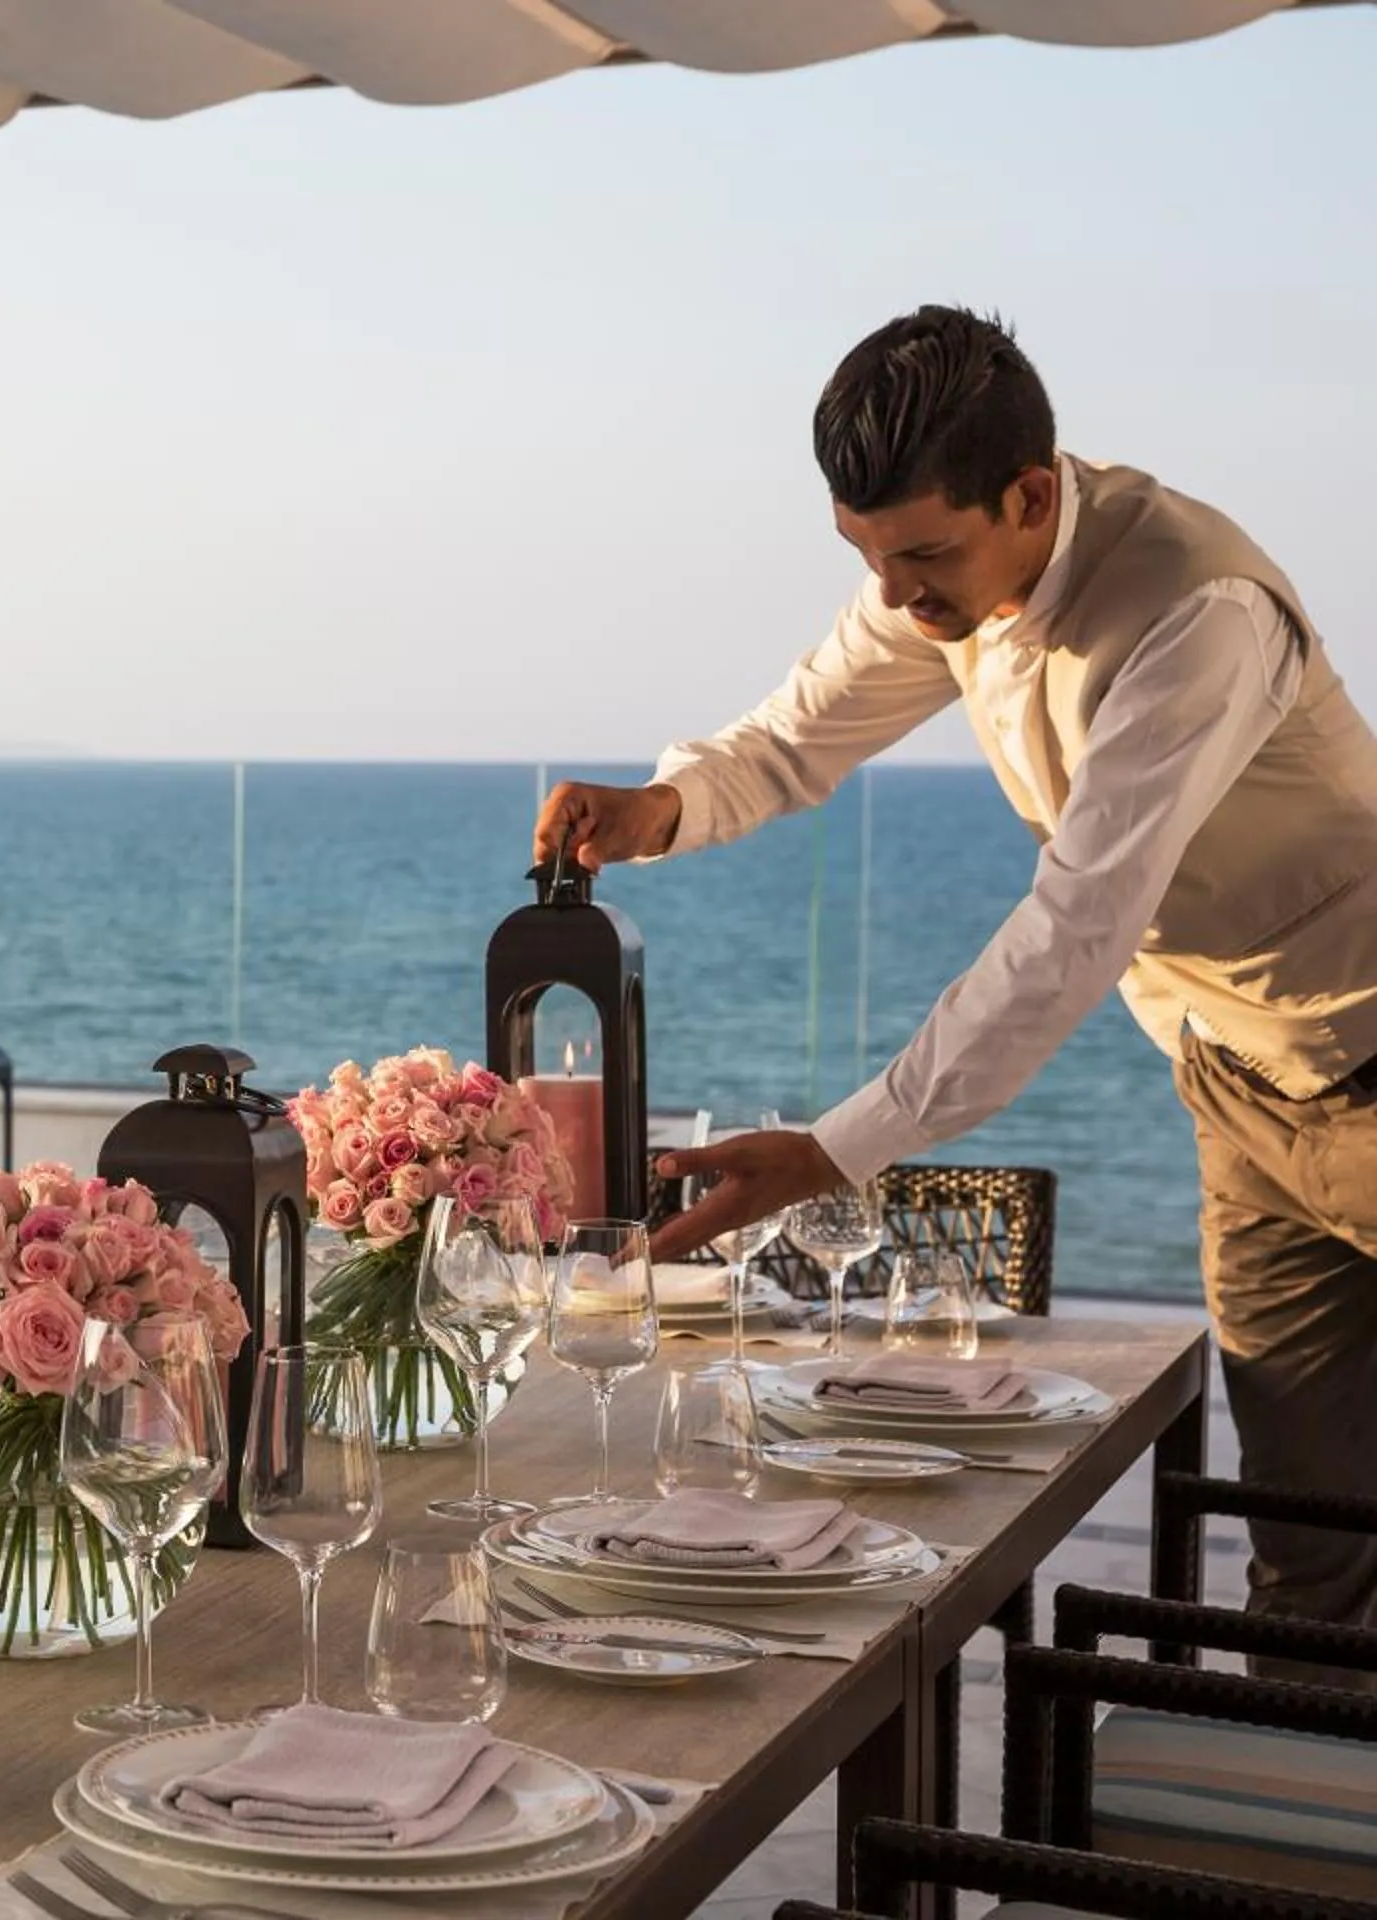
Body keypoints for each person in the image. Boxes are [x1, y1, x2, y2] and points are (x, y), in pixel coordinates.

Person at [539, 306, 1377, 1664]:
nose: (896, 598)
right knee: (1308, 1551)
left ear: (1031, 495)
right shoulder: (942, 575)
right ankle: (1313, 1848)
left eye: (922, 555)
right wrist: (661, 807)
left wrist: (834, 1149)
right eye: (866, 557)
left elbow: (1074, 932)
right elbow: (793, 739)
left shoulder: (1194, 614)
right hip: (1241, 1091)